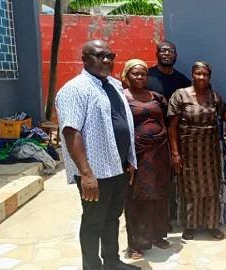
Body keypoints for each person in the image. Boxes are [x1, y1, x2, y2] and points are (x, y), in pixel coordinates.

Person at [56, 40, 140, 270]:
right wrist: (86, 174)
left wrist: (129, 159)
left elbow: (123, 123)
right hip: (94, 173)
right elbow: (71, 131)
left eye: (110, 56)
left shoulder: (113, 85)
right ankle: (92, 266)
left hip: (117, 167)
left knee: (112, 218)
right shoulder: (74, 90)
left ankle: (112, 262)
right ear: (84, 59)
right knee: (94, 222)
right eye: (98, 56)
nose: (106, 60)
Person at [167, 61, 226, 241]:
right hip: (188, 150)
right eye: (198, 73)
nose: (202, 77)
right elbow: (172, 127)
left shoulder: (213, 96)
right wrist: (175, 153)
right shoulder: (180, 95)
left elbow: (225, 110)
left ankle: (211, 226)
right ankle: (190, 226)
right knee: (190, 189)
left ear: (209, 77)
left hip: (210, 151)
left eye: (205, 74)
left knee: (212, 188)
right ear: (192, 75)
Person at [121, 59, 172, 259]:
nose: (140, 77)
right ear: (126, 75)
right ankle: (135, 244)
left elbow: (166, 121)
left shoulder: (156, 97)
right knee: (137, 199)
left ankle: (157, 235)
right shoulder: (122, 98)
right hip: (138, 156)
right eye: (135, 73)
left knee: (159, 195)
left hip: (159, 154)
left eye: (143, 73)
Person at [146, 40, 191, 230]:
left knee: (171, 179)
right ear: (157, 54)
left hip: (175, 137)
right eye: (163, 51)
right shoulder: (146, 77)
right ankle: (154, 219)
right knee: (152, 178)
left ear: (176, 55)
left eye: (171, 51)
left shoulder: (182, 81)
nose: (167, 54)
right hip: (150, 137)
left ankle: (169, 216)